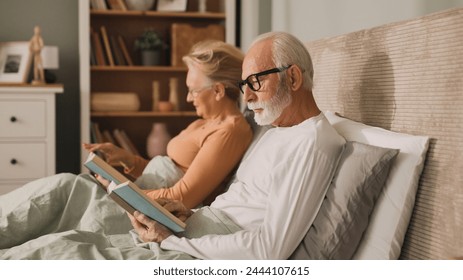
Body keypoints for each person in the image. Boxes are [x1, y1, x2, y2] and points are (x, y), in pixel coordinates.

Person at [127, 31, 346, 259]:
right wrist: (189, 214)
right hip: (197, 230)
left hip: (202, 247)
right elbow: (242, 204)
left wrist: (171, 242)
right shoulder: (274, 132)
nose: (247, 96)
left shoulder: (312, 142)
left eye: (256, 81)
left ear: (292, 78)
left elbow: (268, 249)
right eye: (245, 85)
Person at [84, 40, 253, 208]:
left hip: (154, 208)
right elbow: (165, 174)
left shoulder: (230, 132)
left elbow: (181, 197)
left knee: (74, 187)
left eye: (194, 91)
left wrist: (115, 191)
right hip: (146, 196)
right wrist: (129, 160)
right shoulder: (205, 122)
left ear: (218, 90)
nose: (188, 98)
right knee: (74, 184)